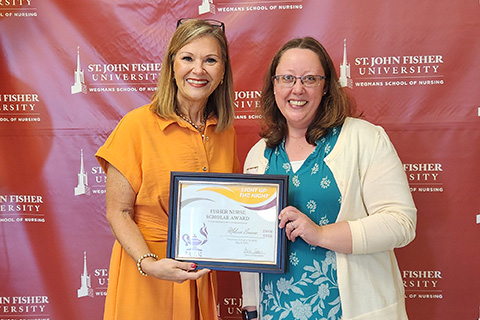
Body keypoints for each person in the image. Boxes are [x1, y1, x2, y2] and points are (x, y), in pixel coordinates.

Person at [240, 37, 417, 320]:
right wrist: (251, 305)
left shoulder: (364, 138)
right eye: (287, 78)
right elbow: (249, 241)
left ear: (325, 87)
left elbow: (401, 223)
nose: (297, 88)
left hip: (349, 310)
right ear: (274, 86)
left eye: (310, 78)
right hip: (276, 310)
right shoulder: (259, 154)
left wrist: (321, 234)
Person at [95, 18, 240, 320]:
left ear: (223, 71)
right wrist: (148, 262)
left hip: (198, 273)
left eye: (210, 60)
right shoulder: (136, 126)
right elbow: (117, 212)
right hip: (148, 272)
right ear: (171, 66)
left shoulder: (225, 131)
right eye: (188, 58)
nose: (198, 70)